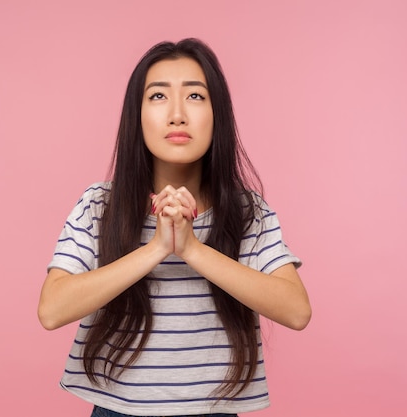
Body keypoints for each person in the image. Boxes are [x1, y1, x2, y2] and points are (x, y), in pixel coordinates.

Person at [38, 38, 311, 417]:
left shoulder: (247, 211)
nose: (177, 115)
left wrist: (192, 249)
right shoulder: (99, 206)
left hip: (215, 411)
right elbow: (52, 309)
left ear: (219, 115)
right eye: (158, 97)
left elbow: (296, 311)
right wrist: (156, 248)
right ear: (137, 115)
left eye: (196, 97)